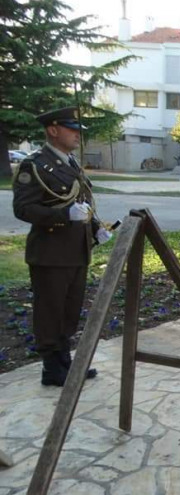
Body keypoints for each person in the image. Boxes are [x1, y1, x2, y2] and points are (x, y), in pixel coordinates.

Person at [12, 107, 111, 386]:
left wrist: (95, 228)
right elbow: (23, 208)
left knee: (70, 309)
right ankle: (51, 368)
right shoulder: (35, 164)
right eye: (71, 129)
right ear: (53, 130)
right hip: (51, 253)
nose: (77, 134)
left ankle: (65, 361)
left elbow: (82, 200)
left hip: (76, 251)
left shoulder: (70, 163)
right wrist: (63, 216)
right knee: (51, 310)